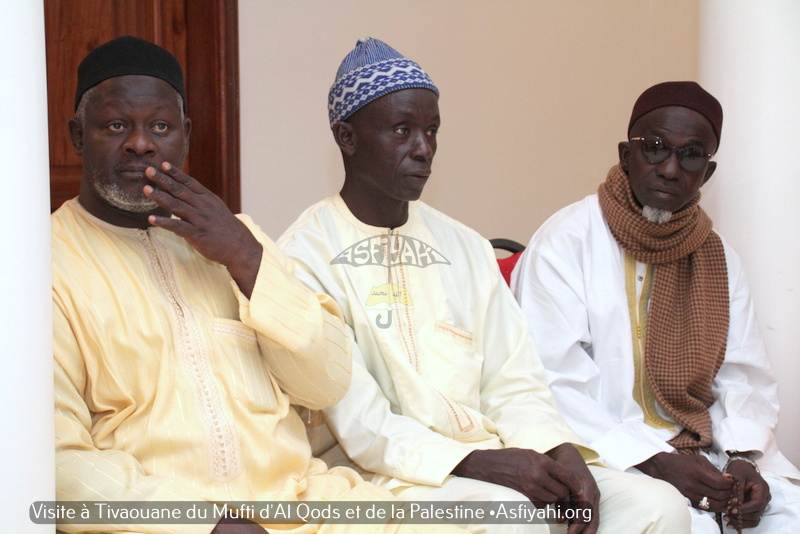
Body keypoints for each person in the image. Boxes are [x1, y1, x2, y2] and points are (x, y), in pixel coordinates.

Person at [53, 35, 467, 534]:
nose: (140, 143)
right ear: (78, 136)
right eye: (116, 125)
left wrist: (246, 260)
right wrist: (205, 526)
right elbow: (55, 461)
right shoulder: (43, 264)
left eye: (159, 126)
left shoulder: (239, 238)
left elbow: (326, 382)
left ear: (184, 135)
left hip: (303, 507)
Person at [278, 37, 690, 534]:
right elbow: (363, 425)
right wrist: (477, 464)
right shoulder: (304, 255)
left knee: (657, 507)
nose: (424, 149)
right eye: (402, 130)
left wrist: (558, 450)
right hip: (385, 477)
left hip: (496, 460)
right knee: (510, 517)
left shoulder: (465, 245)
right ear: (347, 137)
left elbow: (514, 377)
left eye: (431, 130)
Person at [511, 81, 800, 533]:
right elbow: (549, 381)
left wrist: (745, 460)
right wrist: (656, 461)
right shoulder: (566, 241)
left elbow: (743, 375)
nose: (670, 168)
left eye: (691, 156)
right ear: (626, 156)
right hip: (606, 452)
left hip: (704, 453)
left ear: (707, 172)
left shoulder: (717, 256)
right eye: (656, 148)